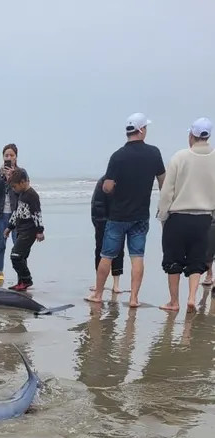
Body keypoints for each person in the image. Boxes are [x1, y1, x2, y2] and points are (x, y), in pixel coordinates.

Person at [86, 113, 165, 308]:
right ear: (141, 130)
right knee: (137, 256)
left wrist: (109, 186)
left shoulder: (118, 156)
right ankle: (134, 298)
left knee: (107, 255)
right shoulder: (154, 153)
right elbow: (164, 182)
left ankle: (97, 294)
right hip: (140, 214)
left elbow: (108, 187)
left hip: (118, 215)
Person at [157, 117, 215, 313]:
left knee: (173, 260)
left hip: (178, 217)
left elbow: (167, 191)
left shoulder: (180, 157)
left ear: (192, 135)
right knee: (197, 259)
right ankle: (191, 297)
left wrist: (162, 215)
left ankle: (174, 302)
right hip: (204, 217)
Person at [3, 169, 44, 291]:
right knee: (22, 257)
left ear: (22, 182)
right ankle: (21, 282)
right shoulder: (20, 194)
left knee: (15, 255)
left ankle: (26, 280)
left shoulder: (32, 195)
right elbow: (16, 212)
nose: (13, 189)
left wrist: (40, 231)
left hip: (29, 231)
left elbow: (37, 213)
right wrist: (10, 227)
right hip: (20, 230)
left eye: (14, 186)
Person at [0, 144, 19, 284]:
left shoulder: (20, 172)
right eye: (6, 155)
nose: (9, 158)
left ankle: (20, 272)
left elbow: (23, 190)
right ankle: (0, 272)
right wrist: (2, 176)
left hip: (17, 215)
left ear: (16, 157)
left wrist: (12, 177)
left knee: (18, 245)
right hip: (1, 214)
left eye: (11, 155)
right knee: (0, 244)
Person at [91, 175, 123, 296]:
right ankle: (98, 283)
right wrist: (98, 223)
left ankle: (116, 284)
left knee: (119, 252)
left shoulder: (124, 182)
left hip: (118, 221)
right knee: (100, 251)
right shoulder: (102, 182)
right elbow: (96, 204)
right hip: (102, 222)